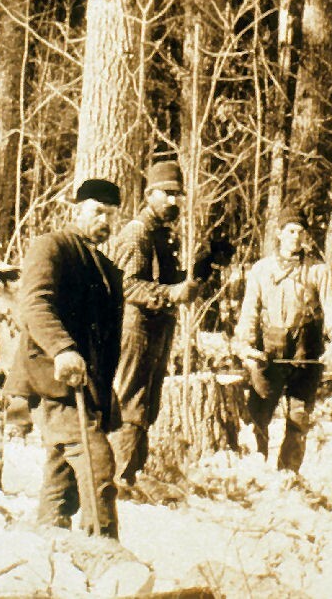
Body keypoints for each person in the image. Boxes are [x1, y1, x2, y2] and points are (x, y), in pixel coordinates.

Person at [13, 178, 125, 538]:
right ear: (77, 210)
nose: (104, 220)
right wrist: (62, 349)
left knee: (62, 473)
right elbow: (34, 303)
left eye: (111, 215)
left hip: (86, 386)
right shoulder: (52, 247)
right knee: (96, 461)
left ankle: (50, 542)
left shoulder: (105, 268)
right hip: (53, 378)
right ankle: (104, 547)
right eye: (97, 212)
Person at [234, 209, 332, 474]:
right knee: (258, 415)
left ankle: (288, 475)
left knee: (298, 418)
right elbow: (249, 310)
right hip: (269, 352)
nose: (296, 236)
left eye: (300, 231)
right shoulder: (261, 270)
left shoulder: (318, 270)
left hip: (306, 353)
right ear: (279, 233)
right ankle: (256, 472)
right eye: (290, 231)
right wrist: (246, 346)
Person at [108, 160, 196, 482]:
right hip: (136, 327)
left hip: (157, 327)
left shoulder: (163, 235)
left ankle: (133, 475)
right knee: (131, 402)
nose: (173, 201)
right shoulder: (138, 233)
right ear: (149, 195)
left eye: (177, 195)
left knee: (148, 404)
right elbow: (126, 285)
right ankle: (117, 478)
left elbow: (167, 282)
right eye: (166, 193)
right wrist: (172, 293)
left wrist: (204, 266)